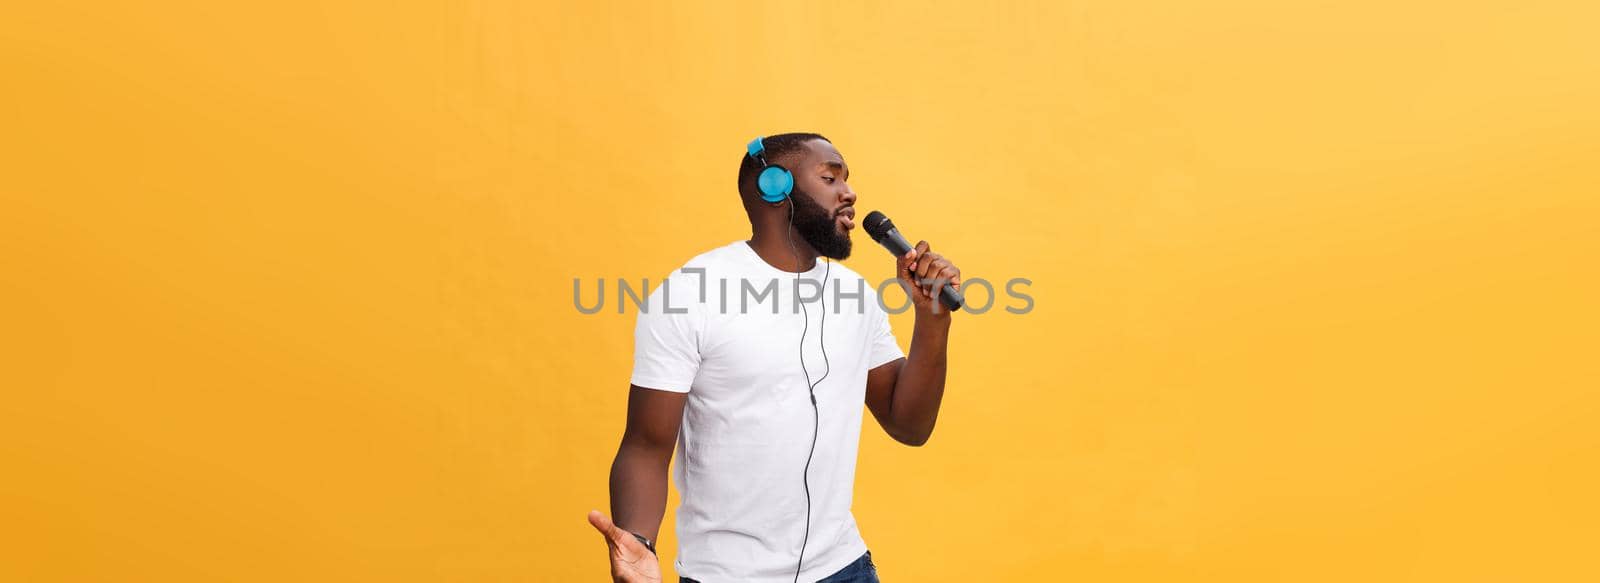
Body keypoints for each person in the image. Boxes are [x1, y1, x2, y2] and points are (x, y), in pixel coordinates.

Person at [586, 133, 961, 582]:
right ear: (774, 186)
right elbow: (646, 445)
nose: (850, 193)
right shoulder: (688, 295)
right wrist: (640, 543)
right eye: (830, 177)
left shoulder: (856, 296)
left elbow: (909, 425)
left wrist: (933, 319)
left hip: (844, 568)